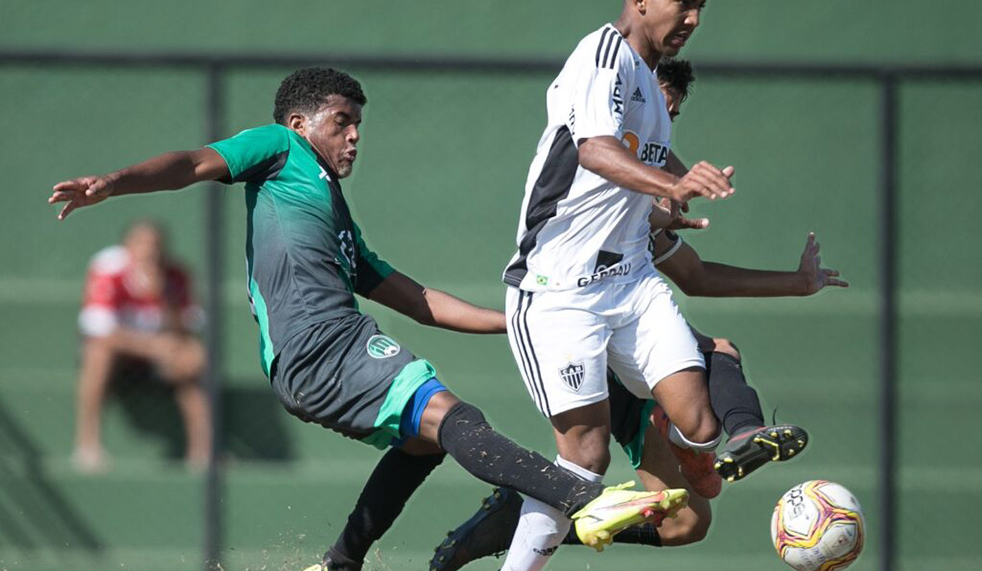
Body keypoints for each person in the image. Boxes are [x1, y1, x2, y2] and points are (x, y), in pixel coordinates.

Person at [49, 67, 688, 571]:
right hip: (317, 349)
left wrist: (522, 319)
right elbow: (192, 164)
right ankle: (582, 497)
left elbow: (417, 299)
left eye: (358, 123)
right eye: (341, 121)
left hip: (332, 348)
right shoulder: (278, 148)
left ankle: (341, 562)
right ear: (301, 123)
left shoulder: (336, 220)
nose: (354, 134)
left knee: (421, 442)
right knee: (452, 418)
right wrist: (114, 182)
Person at [429, 59, 847, 570]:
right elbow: (598, 164)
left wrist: (798, 284)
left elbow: (696, 276)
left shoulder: (642, 198)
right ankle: (734, 431)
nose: (661, 122)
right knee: (697, 369)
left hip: (629, 328)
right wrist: (665, 191)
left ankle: (523, 519)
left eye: (671, 113)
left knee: (686, 523)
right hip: (575, 324)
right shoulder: (596, 164)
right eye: (655, 107)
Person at [74, 220, 210, 472]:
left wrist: (162, 295)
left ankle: (202, 454)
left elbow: (186, 329)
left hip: (159, 358)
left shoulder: (176, 275)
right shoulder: (108, 269)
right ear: (126, 246)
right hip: (123, 354)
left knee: (192, 359)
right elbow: (99, 330)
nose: (149, 251)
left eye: (155, 245)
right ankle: (87, 446)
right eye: (141, 243)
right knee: (97, 353)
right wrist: (153, 347)